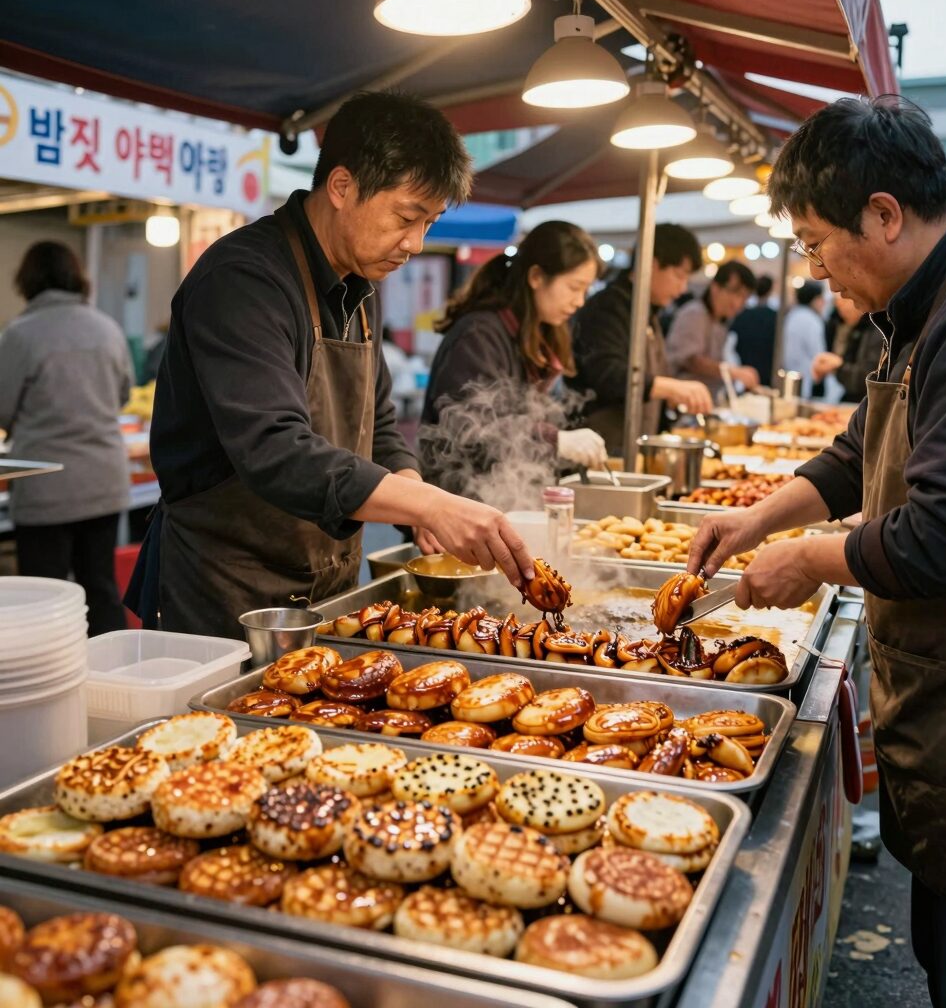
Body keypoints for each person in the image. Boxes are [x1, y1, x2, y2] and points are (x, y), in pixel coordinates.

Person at [685, 95, 946, 1008]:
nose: (815, 266)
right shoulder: (933, 300)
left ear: (884, 213)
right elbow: (855, 454)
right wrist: (761, 517)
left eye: (813, 241)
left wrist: (810, 561)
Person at [134, 91, 534, 640]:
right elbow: (275, 450)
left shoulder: (360, 287)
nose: (415, 244)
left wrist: (413, 493)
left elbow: (380, 423)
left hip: (326, 586)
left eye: (430, 223)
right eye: (407, 217)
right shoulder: (243, 280)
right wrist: (429, 503)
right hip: (225, 593)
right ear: (342, 186)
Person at [0, 241, 134, 635]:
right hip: (104, 481)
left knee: (44, 596)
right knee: (101, 587)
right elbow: (123, 394)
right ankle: (115, 675)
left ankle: (51, 683)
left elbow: (2, 408)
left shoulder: (20, 334)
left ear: (28, 280)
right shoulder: (106, 326)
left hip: (47, 486)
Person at [420, 221, 607, 497]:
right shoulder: (479, 334)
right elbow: (473, 426)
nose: (580, 301)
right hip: (458, 501)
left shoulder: (536, 332)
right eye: (573, 287)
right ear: (536, 277)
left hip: (507, 496)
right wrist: (555, 440)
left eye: (585, 290)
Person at [566, 223, 713, 456]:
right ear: (652, 264)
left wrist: (670, 401)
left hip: (632, 449)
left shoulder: (649, 311)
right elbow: (608, 374)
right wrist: (671, 388)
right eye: (679, 275)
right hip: (599, 452)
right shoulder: (607, 308)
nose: (683, 287)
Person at [665, 260, 759, 394]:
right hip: (684, 400)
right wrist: (732, 372)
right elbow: (690, 360)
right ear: (715, 287)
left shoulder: (721, 321)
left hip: (708, 398)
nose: (737, 303)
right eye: (735, 293)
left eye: (744, 298)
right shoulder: (695, 313)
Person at [812, 293, 884, 403]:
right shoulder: (836, 324)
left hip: (868, 400)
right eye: (837, 301)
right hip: (848, 396)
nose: (840, 304)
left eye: (845, 299)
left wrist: (838, 365)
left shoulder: (875, 329)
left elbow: (869, 378)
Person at [729, 274, 777, 387]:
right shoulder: (774, 316)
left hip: (746, 364)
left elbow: (734, 338)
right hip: (767, 367)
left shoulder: (744, 314)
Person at [782, 280, 827, 398]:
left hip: (789, 375)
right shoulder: (812, 320)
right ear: (814, 299)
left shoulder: (791, 315)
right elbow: (819, 356)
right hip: (806, 380)